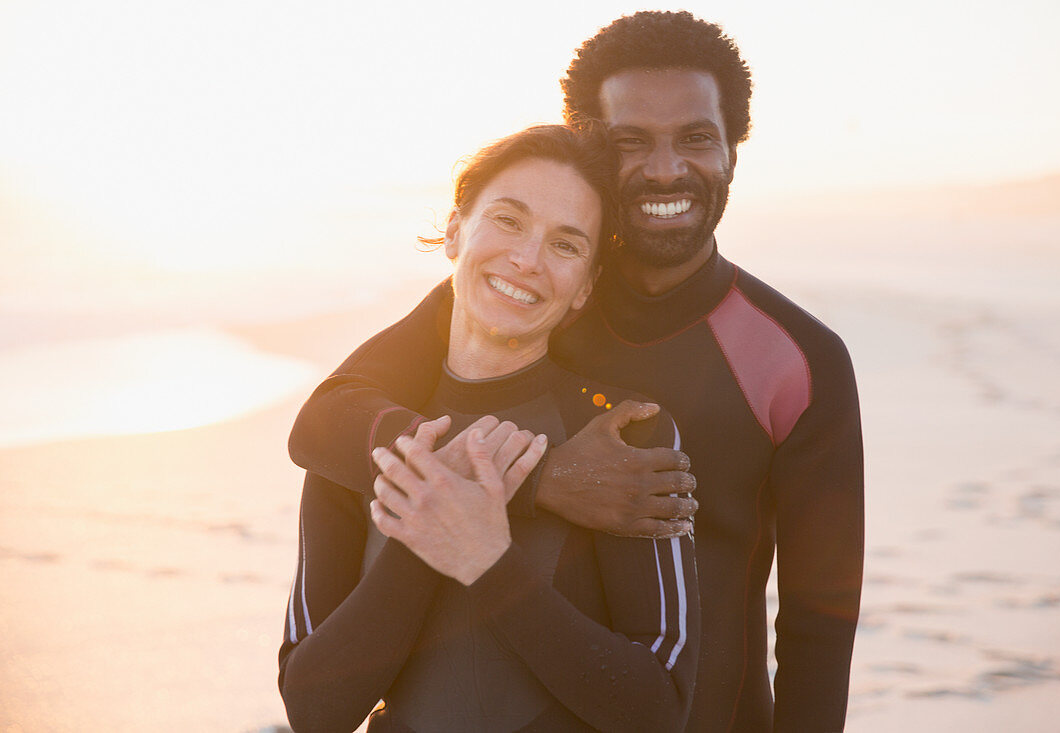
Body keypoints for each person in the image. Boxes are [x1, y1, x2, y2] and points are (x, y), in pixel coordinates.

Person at [288, 10, 864, 732]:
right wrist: (545, 478)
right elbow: (325, 422)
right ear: (591, 144)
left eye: (696, 138)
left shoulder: (796, 359)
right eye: (631, 141)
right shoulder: (524, 298)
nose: (665, 169)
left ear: (732, 150)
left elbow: (820, 624)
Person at [278, 124, 700, 732]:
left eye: (566, 245)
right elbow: (315, 712)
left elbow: (658, 709)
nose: (527, 260)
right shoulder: (366, 436)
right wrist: (431, 534)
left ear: (586, 287)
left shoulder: (622, 436)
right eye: (507, 220)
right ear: (455, 233)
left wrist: (488, 562)